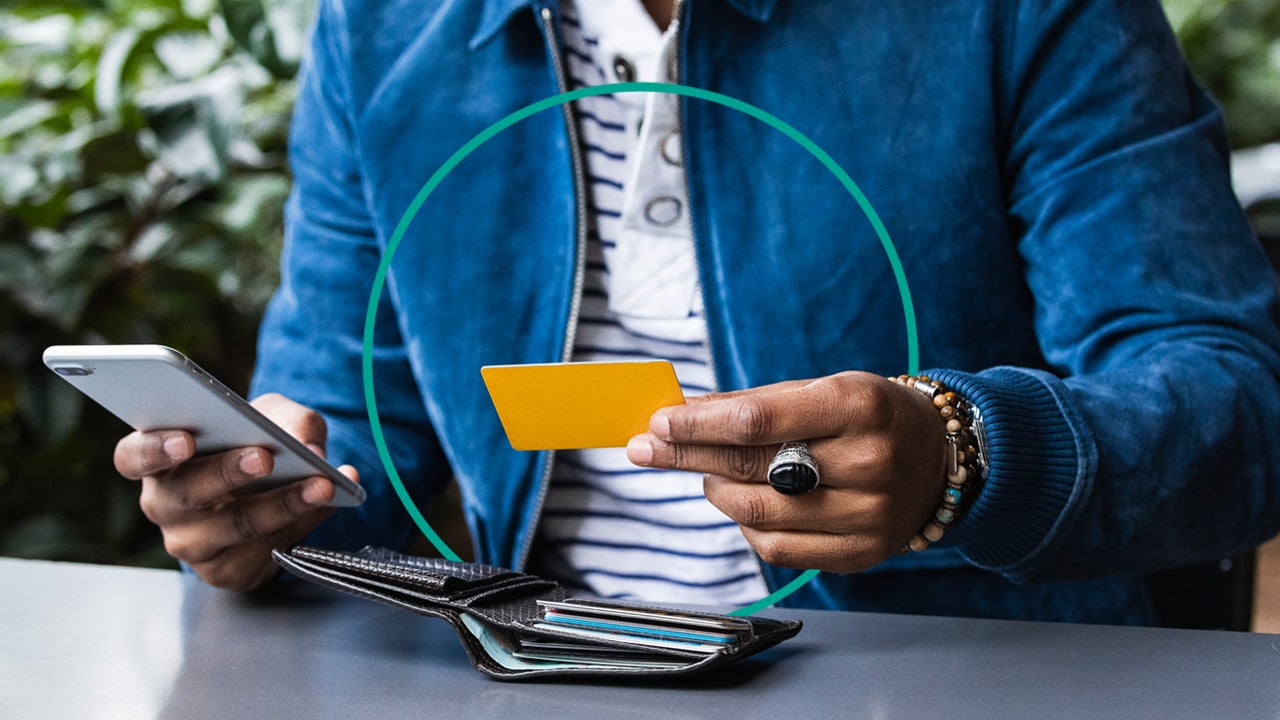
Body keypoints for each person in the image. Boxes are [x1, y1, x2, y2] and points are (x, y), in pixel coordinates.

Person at [114, 0, 1280, 624]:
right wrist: (257, 512)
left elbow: (1236, 406)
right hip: (552, 669)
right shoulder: (379, 33)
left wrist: (960, 455)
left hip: (954, 679)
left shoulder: (1024, 15)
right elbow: (356, 441)